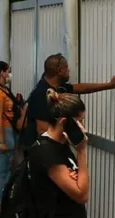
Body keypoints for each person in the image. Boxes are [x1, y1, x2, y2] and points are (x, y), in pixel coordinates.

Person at [21, 53, 115, 148]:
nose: (69, 71)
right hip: (40, 150)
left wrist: (109, 85)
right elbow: (42, 129)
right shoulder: (41, 94)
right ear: (59, 71)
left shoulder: (56, 86)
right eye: (66, 68)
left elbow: (81, 88)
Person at [28, 89, 89, 217]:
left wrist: (76, 176)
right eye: (80, 121)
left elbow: (79, 182)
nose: (83, 127)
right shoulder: (47, 152)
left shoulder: (62, 143)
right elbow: (82, 195)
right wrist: (82, 152)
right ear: (64, 122)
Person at [0, 61, 25, 217]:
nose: (9, 74)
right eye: (8, 71)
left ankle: (4, 201)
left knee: (6, 169)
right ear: (2, 72)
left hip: (8, 132)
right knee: (1, 171)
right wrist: (2, 141)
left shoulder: (3, 89)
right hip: (2, 132)